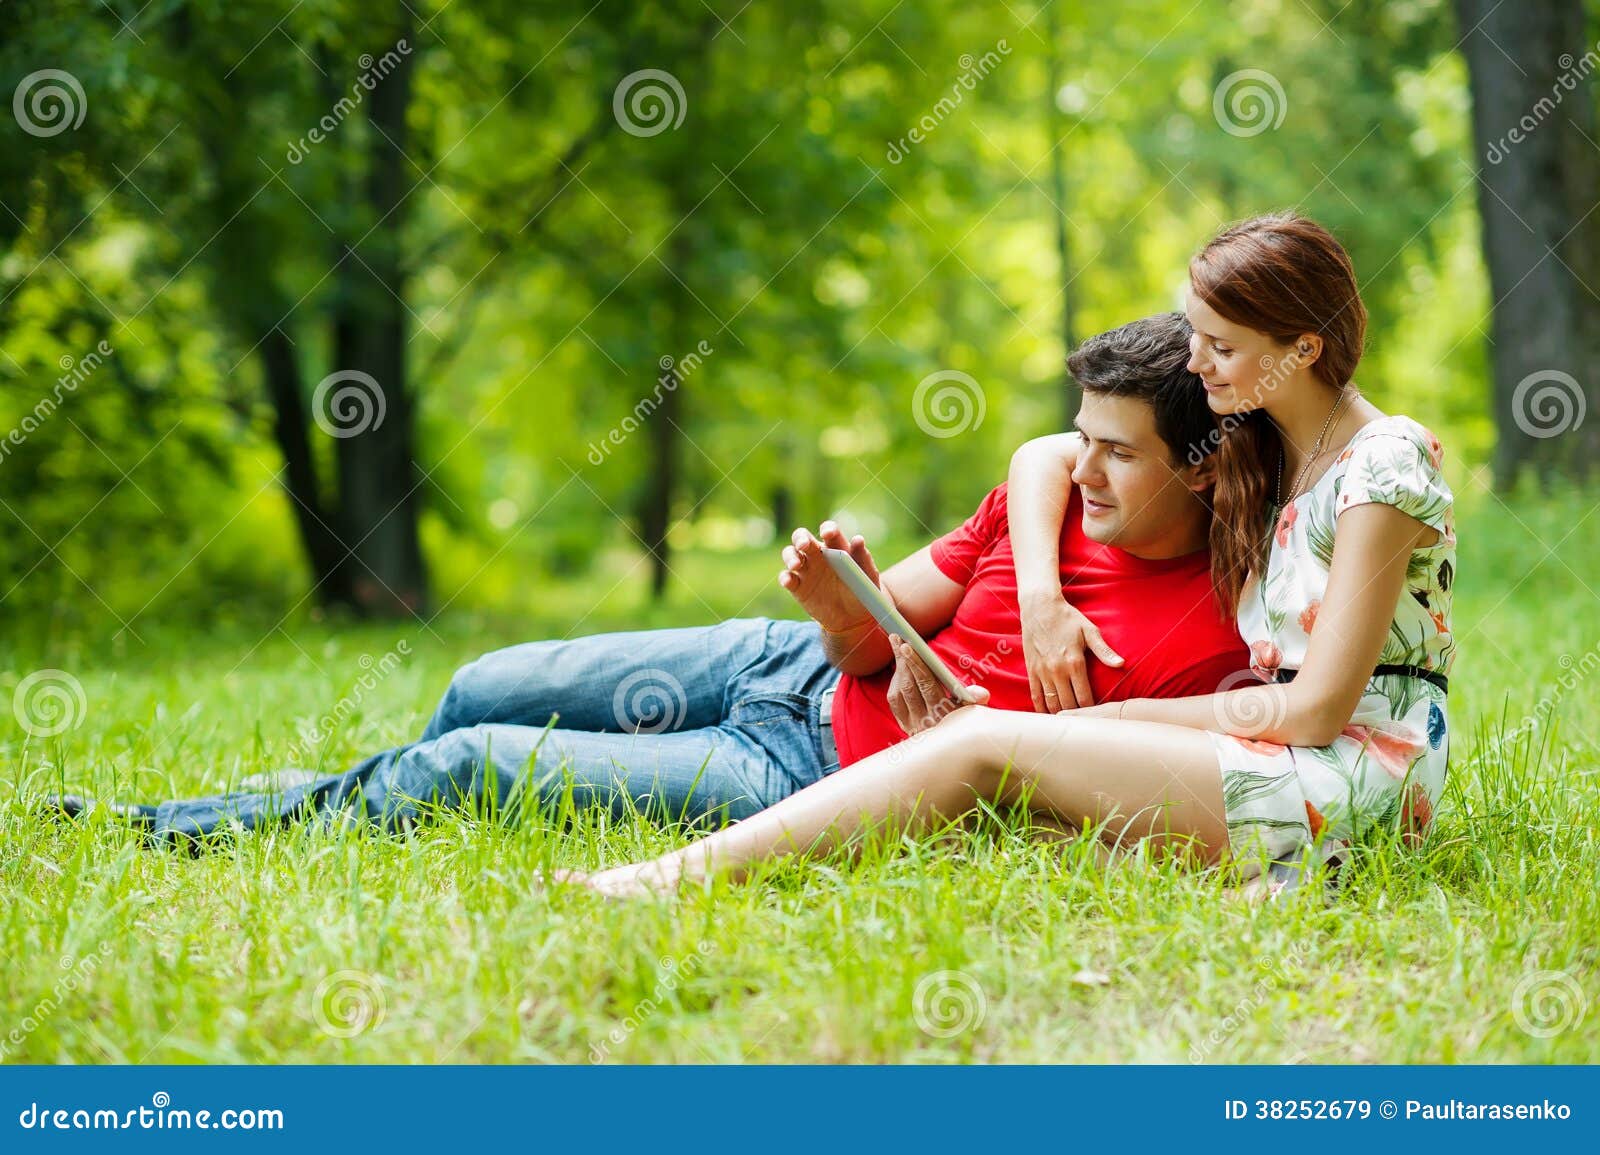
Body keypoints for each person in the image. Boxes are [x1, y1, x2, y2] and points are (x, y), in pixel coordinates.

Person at [44, 314, 1247, 847]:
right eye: (1079, 437)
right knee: (474, 688)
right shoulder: (1050, 499)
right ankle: (341, 803)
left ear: (1200, 471)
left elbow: (1090, 798)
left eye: (1116, 450)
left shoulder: (1209, 635)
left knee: (464, 769)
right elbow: (883, 642)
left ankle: (191, 828)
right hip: (776, 670)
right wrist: (844, 598)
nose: (1081, 464)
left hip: (802, 769)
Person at [557, 212, 1456, 899]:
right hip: (1280, 757)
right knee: (1021, 790)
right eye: (1196, 335)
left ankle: (663, 883)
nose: (1198, 362)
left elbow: (1314, 707)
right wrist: (1040, 596)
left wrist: (1103, 722)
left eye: (1220, 346)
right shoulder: (1264, 448)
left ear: (1303, 349)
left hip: (1350, 772)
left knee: (992, 744)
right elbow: (1056, 453)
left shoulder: (1383, 460)